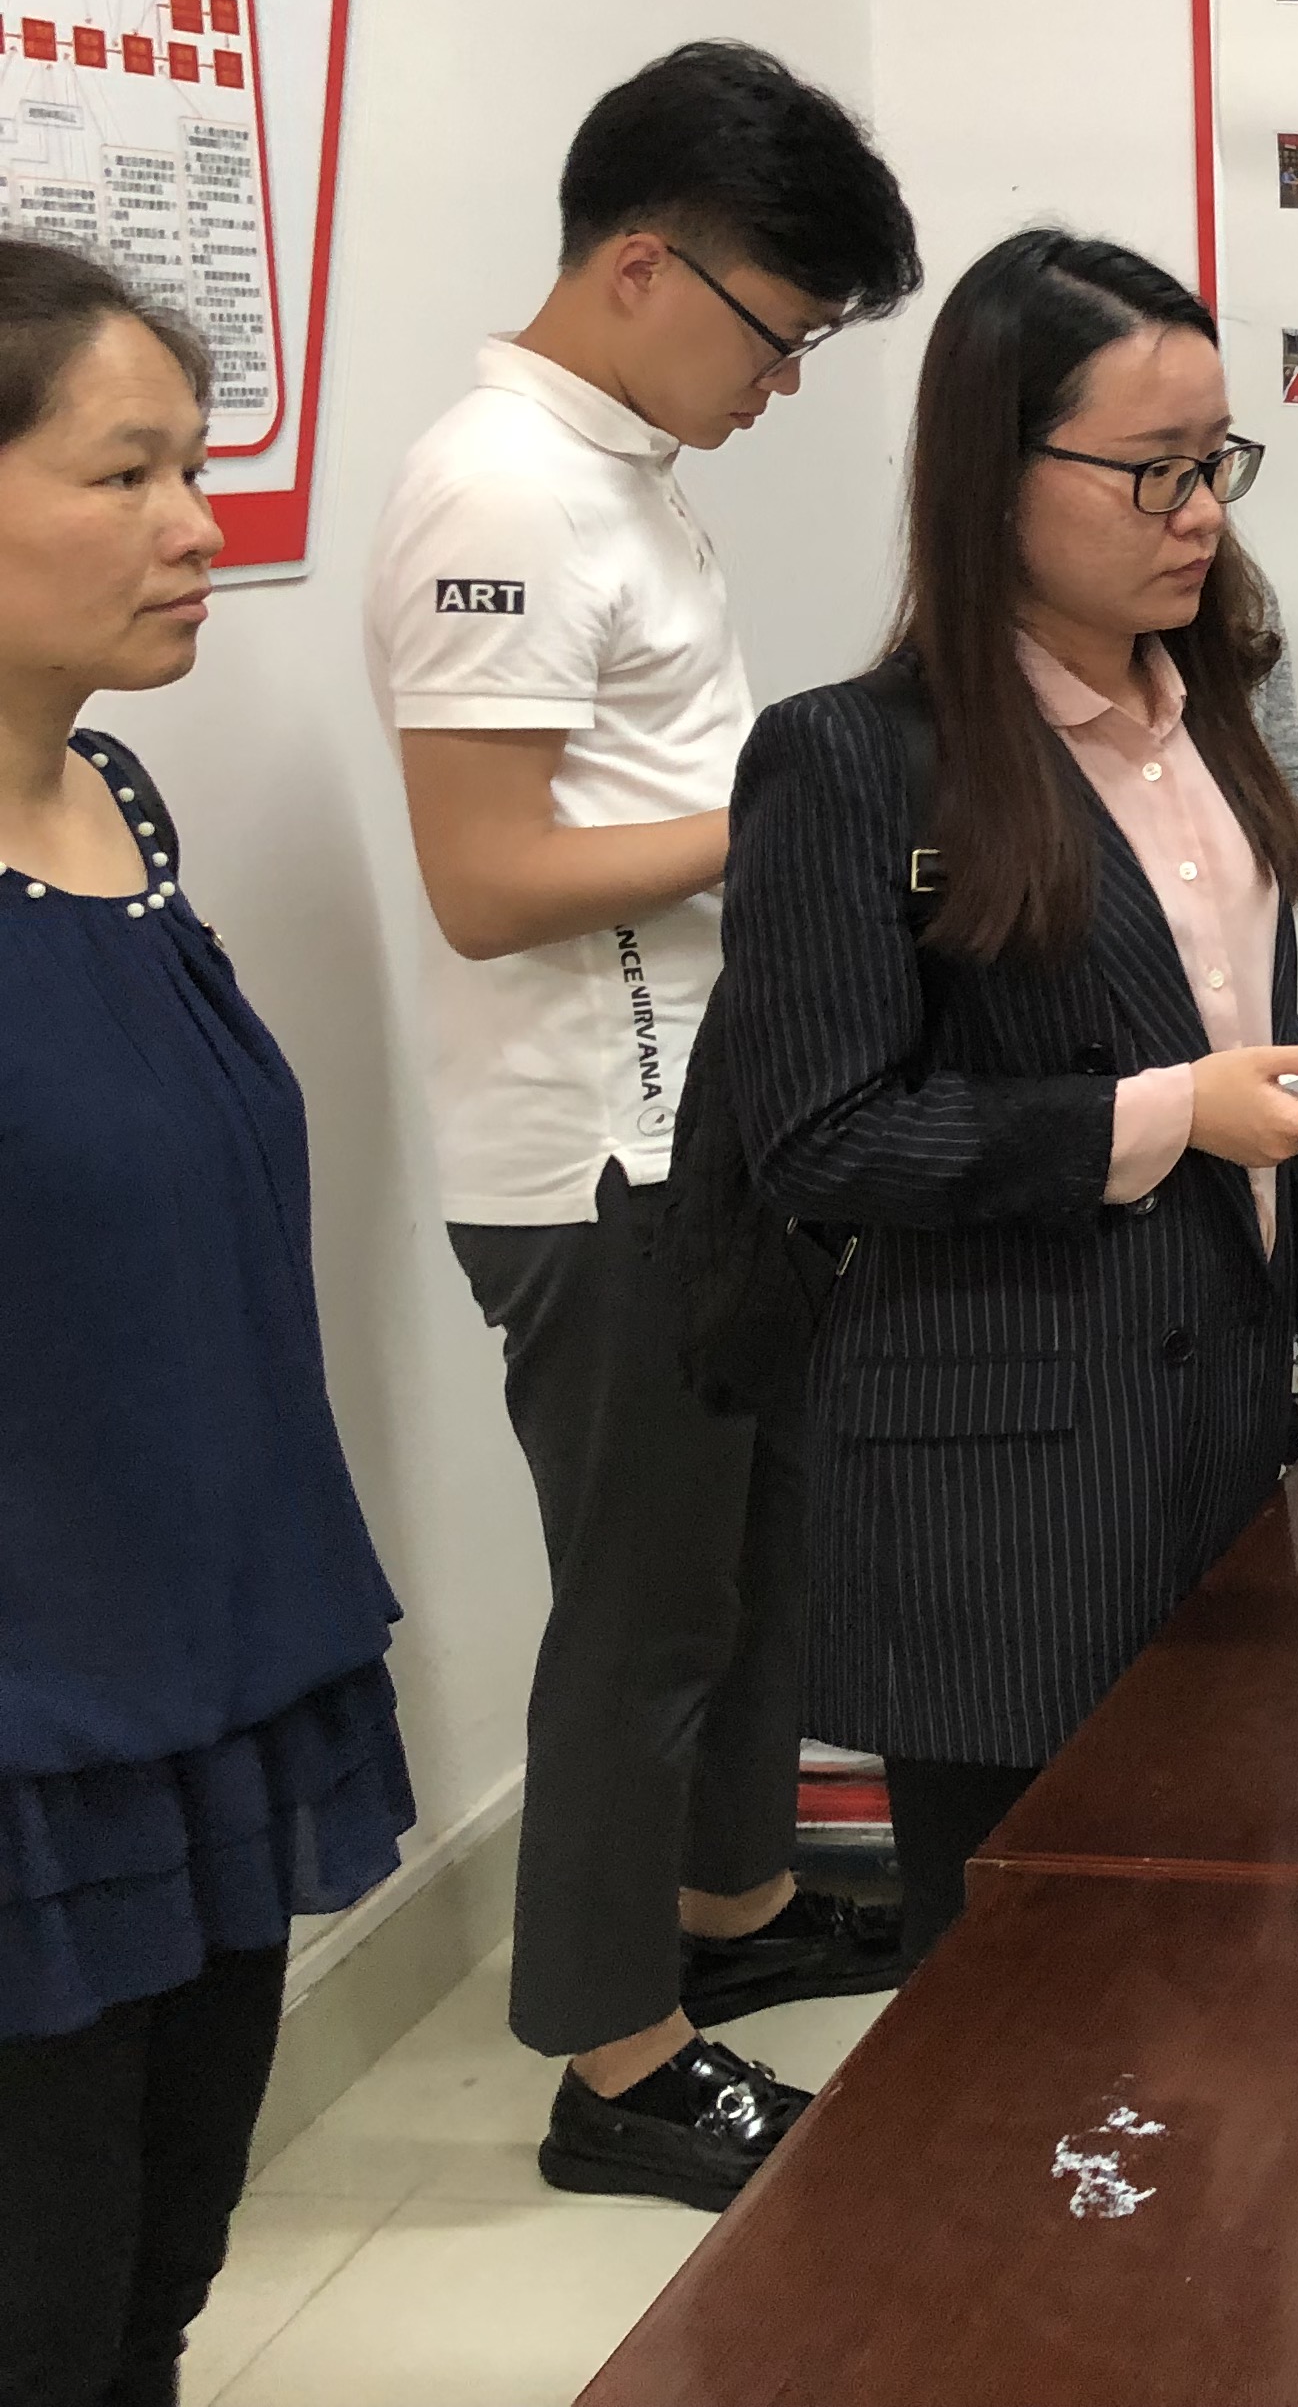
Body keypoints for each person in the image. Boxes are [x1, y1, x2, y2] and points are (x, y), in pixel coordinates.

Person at [714, 232, 1298, 1960]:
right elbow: (824, 1138)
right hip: (998, 1479)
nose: (1200, 512)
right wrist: (1159, 1120)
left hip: (1212, 1426)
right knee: (1027, 1979)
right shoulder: (852, 758)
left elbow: (1266, 1056)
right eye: (1152, 470)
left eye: (1215, 462)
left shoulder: (1206, 709)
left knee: (1231, 1938)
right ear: (995, 472)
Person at [364, 41, 920, 2206]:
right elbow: (488, 876)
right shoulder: (501, 485)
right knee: (646, 1616)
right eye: (778, 334)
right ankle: (616, 2063)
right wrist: (801, 824)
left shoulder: (620, 473)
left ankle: (732, 1908)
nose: (781, 384)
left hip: (710, 1130)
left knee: (759, 1567)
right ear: (638, 265)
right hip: (598, 1160)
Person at [0, 250, 417, 2407]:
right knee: (42, 2308)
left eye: (198, 465)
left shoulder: (118, 801)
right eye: (126, 473)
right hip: (33, 1726)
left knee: (160, 2273)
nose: (200, 527)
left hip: (213, 1664)